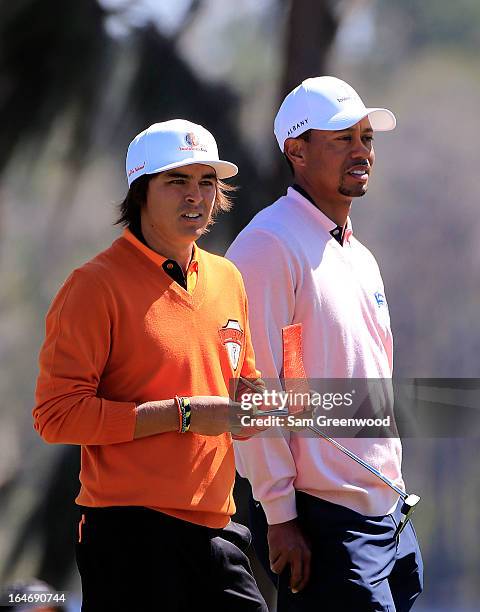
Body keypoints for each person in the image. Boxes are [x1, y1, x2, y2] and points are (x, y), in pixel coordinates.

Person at [33, 119, 268, 612]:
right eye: (176, 181)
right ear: (141, 192)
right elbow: (56, 416)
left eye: (207, 182)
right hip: (130, 536)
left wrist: (258, 407)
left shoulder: (228, 278)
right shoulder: (94, 286)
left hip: (219, 530)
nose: (196, 197)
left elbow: (242, 385)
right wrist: (182, 414)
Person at [226, 77, 424, 611]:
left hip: (388, 516)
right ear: (296, 150)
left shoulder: (358, 254)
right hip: (323, 523)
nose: (361, 150)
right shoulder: (268, 244)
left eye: (366, 138)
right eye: (342, 138)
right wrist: (280, 515)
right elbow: (255, 387)